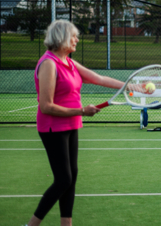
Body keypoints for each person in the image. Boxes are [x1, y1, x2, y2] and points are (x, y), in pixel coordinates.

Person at [27, 20, 144, 226]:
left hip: (72, 125)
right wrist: (82, 110)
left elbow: (100, 78)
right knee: (63, 179)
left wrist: (135, 87)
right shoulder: (48, 64)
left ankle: (66, 224)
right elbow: (46, 106)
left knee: (71, 177)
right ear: (62, 37)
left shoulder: (69, 62)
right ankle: (31, 225)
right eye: (74, 36)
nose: (77, 40)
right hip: (53, 127)